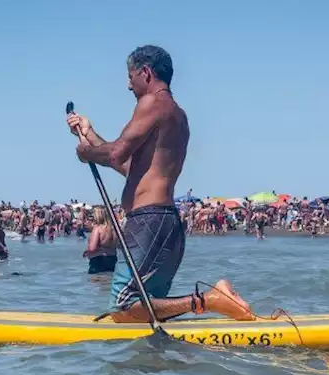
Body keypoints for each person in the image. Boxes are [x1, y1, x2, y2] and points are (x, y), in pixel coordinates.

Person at [66, 45, 254, 322]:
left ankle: (210, 299)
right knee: (146, 313)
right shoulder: (177, 115)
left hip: (148, 221)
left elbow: (117, 152)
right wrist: (89, 134)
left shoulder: (152, 103)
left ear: (146, 72)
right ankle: (163, 357)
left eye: (130, 76)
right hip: (166, 223)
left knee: (123, 308)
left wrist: (85, 153)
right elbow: (129, 167)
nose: (128, 85)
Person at [84, 206, 118, 273]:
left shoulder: (98, 228)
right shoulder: (113, 229)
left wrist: (86, 252)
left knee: (97, 281)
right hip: (113, 260)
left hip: (98, 261)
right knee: (108, 281)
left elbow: (92, 248)